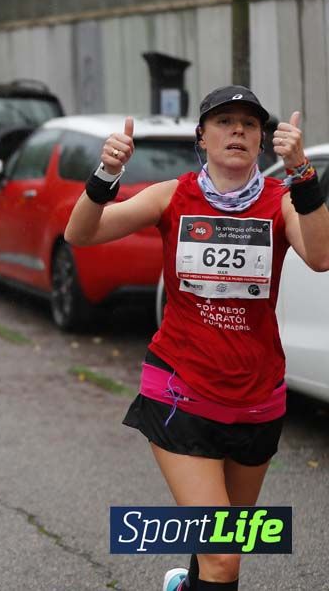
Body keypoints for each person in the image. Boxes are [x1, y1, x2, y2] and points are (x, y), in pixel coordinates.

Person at [64, 86, 329, 591]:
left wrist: (303, 174)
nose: (238, 132)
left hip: (257, 398)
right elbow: (82, 234)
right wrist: (106, 175)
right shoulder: (172, 195)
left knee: (221, 546)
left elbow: (321, 256)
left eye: (250, 125)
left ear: (261, 140)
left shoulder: (281, 202)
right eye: (224, 122)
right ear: (202, 138)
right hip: (180, 391)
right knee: (224, 556)